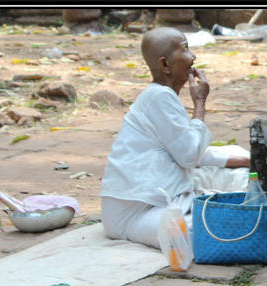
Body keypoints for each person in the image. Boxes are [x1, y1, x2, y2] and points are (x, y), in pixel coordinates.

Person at [100, 27, 249, 249]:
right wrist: (200, 105)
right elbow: (189, 155)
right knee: (209, 229)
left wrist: (238, 161)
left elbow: (185, 150)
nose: (193, 57)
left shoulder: (161, 97)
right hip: (135, 212)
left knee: (237, 161)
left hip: (148, 204)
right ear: (164, 65)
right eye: (185, 49)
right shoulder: (159, 97)